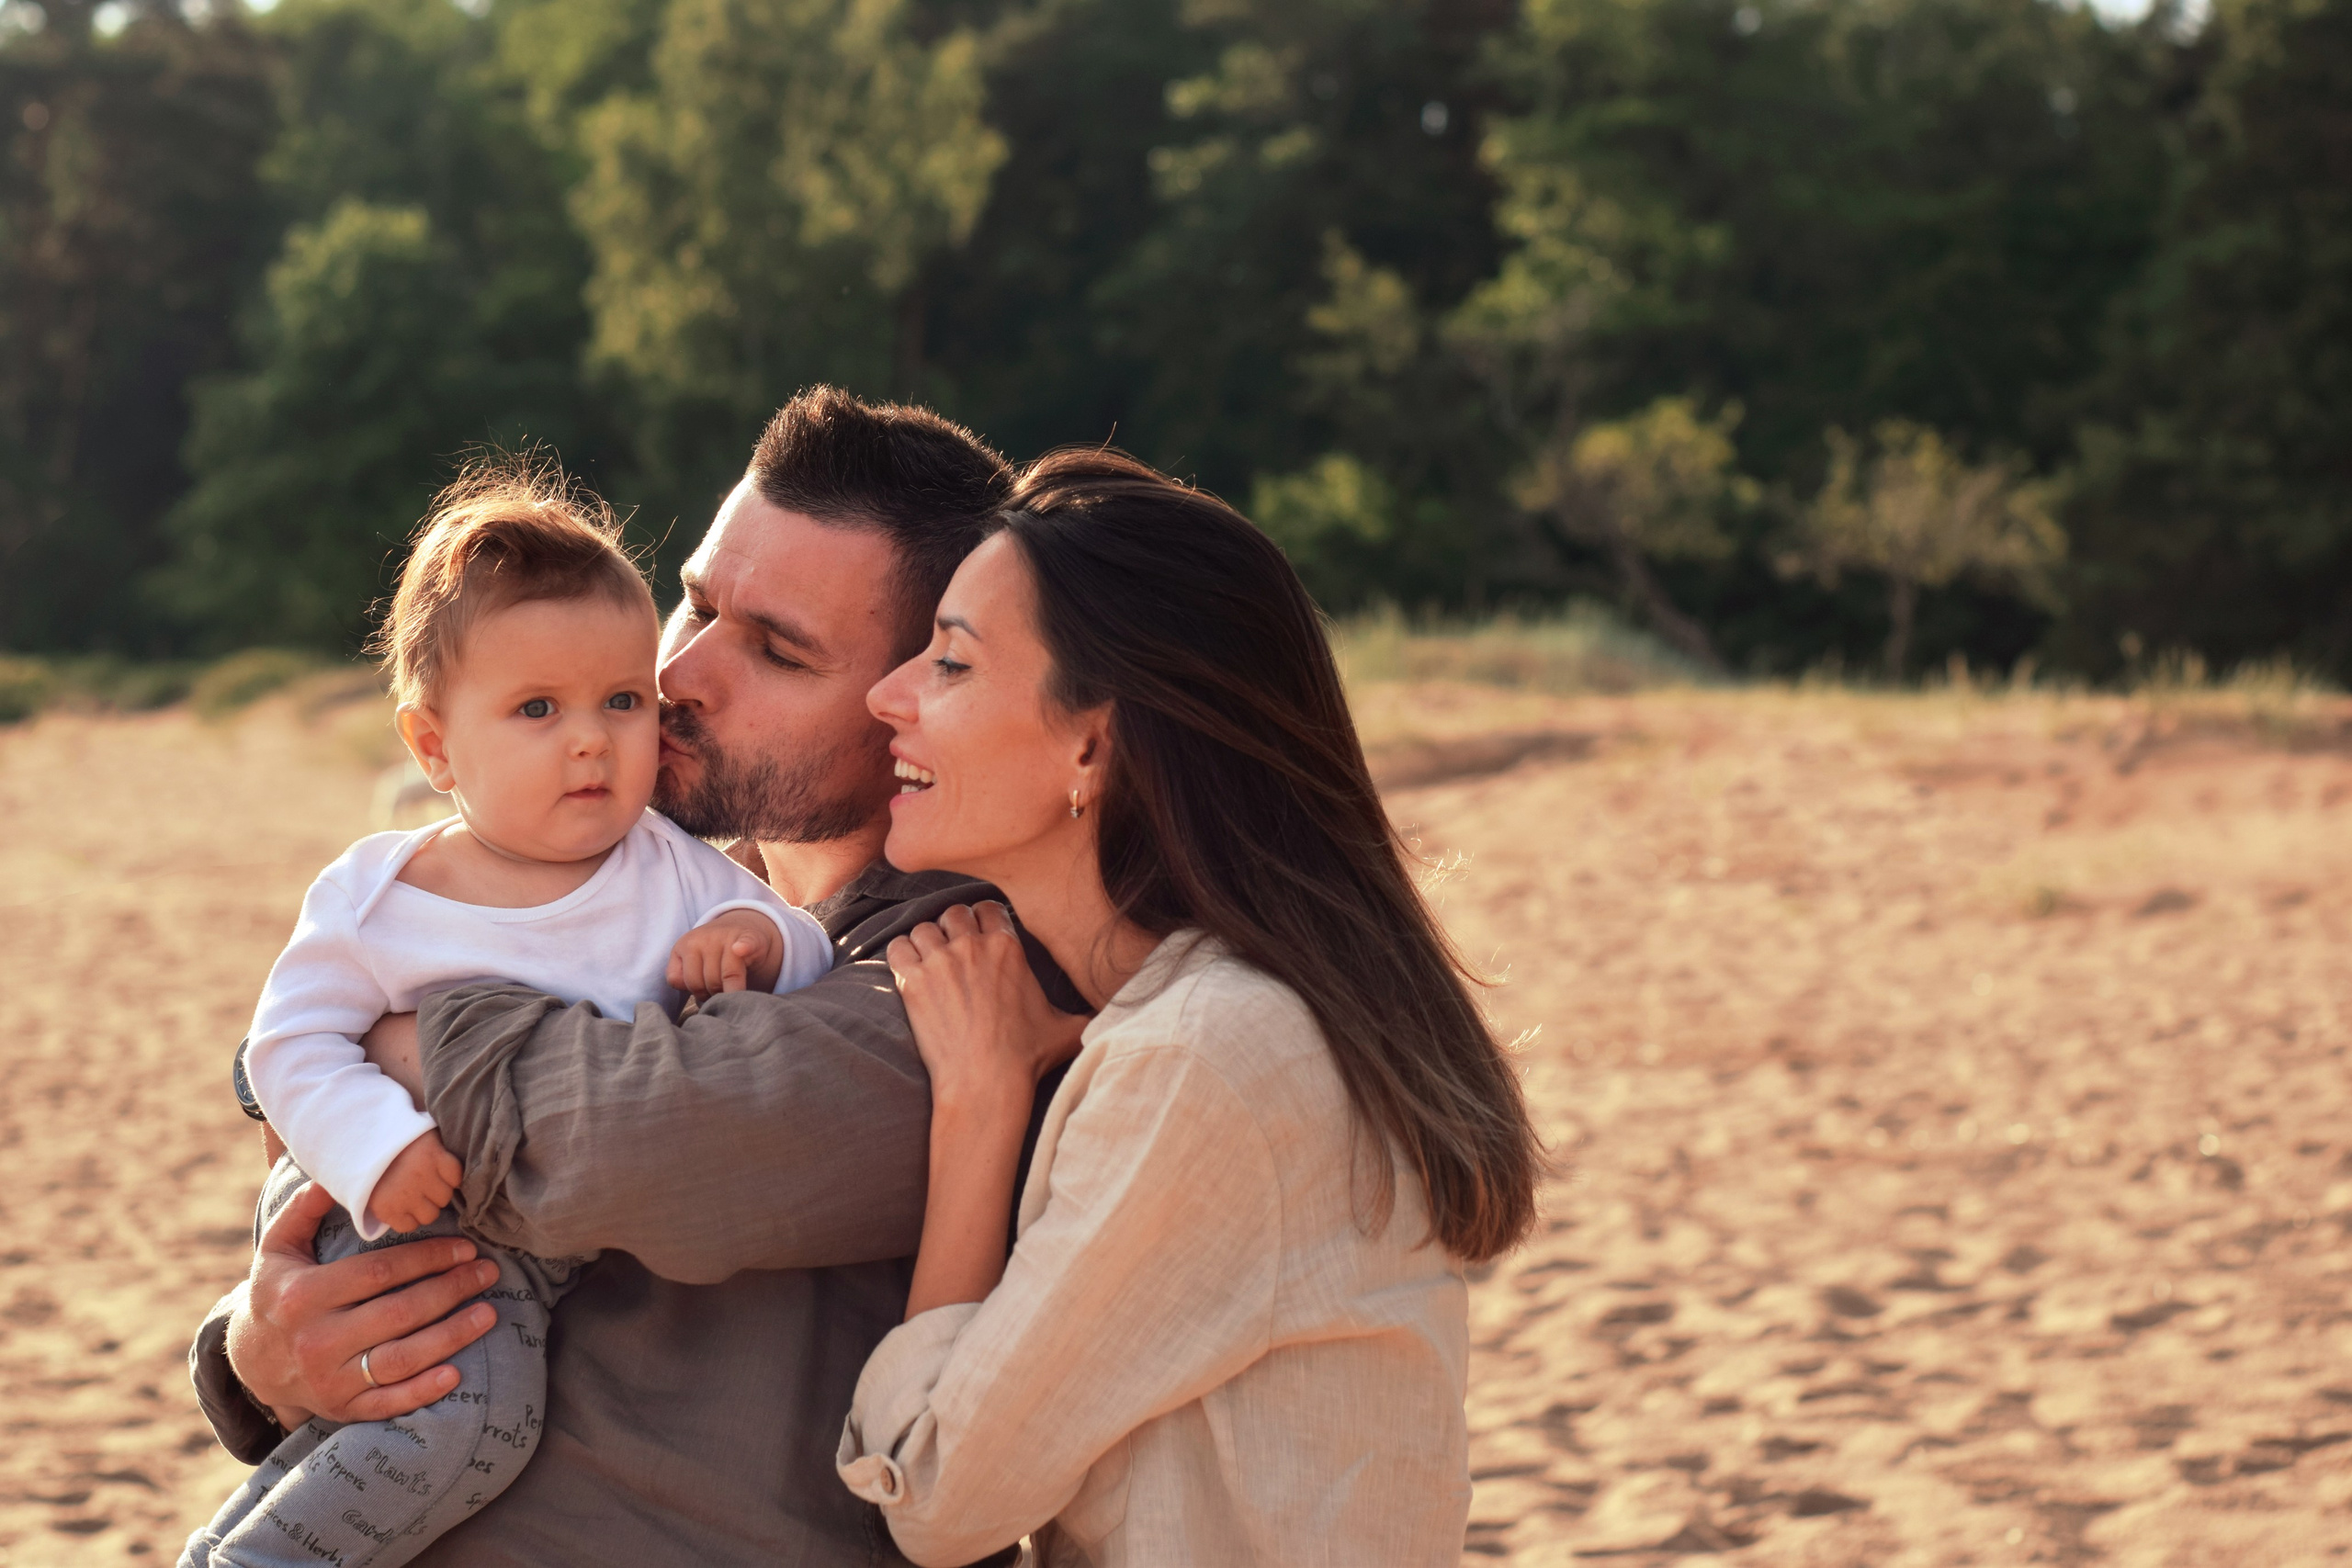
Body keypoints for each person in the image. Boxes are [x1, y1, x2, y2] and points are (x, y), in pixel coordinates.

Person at [188, 388, 1083, 1567]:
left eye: (777, 648)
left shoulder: (954, 977)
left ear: (910, 701)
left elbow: (617, 1141)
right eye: (696, 603)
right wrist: (252, 1354)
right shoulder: (616, 878)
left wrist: (386, 1047)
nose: (682, 673)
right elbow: (318, 1199)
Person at [836, 449, 1548, 1564]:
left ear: (1093, 742)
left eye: (952, 662)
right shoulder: (1223, 1020)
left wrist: (978, 1103)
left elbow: (939, 1494)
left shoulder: (1208, 1055)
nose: (890, 693)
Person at [182, 463, 834, 1568]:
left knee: (402, 1427)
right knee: (469, 1422)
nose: (592, 740)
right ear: (433, 747)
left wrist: (763, 943)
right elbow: (286, 1046)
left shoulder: (672, 869)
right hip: (387, 1199)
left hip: (526, 1234)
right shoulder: (383, 893)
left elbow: (812, 950)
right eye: (537, 710)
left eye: (623, 702)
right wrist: (378, 1144)